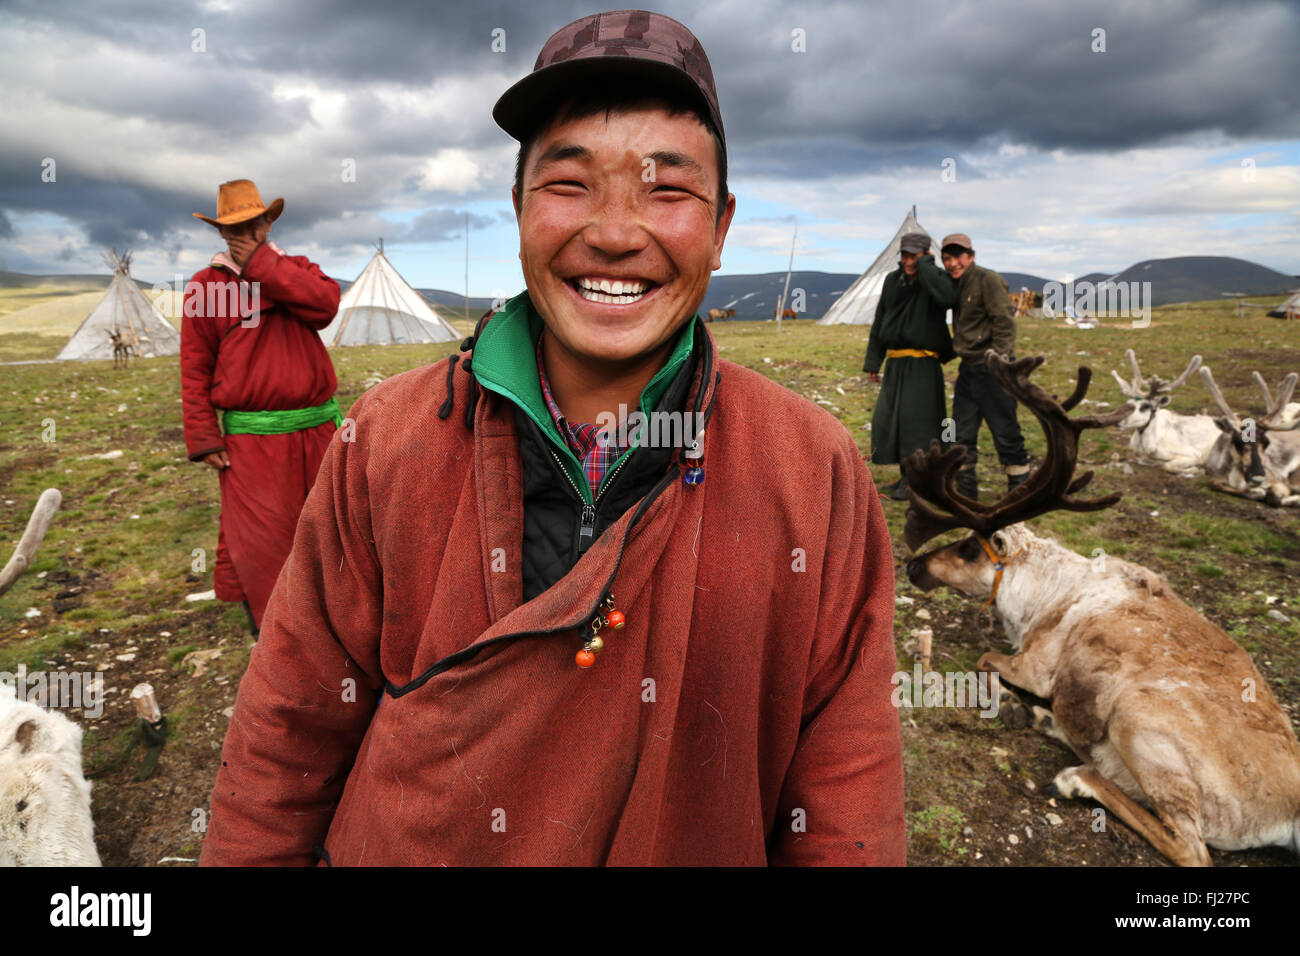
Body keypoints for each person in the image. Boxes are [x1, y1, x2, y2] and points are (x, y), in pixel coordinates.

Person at [198, 10, 904, 867]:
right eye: (568, 184)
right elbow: (290, 720)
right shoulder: (388, 438)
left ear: (720, 227)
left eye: (667, 190)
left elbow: (846, 782)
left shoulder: (810, 469)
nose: (613, 232)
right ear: (518, 208)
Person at [180, 179, 342, 636]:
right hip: (251, 441)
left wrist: (264, 265)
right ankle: (277, 637)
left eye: (254, 223)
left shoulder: (298, 270)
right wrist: (203, 436)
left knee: (330, 530)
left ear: (269, 223)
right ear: (220, 233)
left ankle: (340, 627)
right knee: (264, 543)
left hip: (316, 433)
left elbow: (325, 306)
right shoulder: (206, 287)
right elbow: (195, 365)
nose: (247, 233)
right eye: (235, 228)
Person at [862, 233, 957, 500]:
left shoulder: (935, 279)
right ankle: (906, 475)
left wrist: (927, 268)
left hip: (923, 364)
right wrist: (873, 361)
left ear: (926, 254)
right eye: (905, 255)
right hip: (896, 362)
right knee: (892, 419)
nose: (908, 261)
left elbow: (948, 298)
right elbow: (880, 321)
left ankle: (917, 480)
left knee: (919, 423)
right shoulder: (894, 281)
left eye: (914, 255)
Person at [939, 233, 1030, 500]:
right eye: (947, 258)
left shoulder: (987, 280)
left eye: (959, 256)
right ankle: (966, 495)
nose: (953, 263)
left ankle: (1020, 493)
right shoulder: (957, 285)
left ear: (972, 256)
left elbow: (1004, 322)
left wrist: (999, 362)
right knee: (960, 433)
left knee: (1006, 432)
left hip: (993, 370)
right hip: (969, 370)